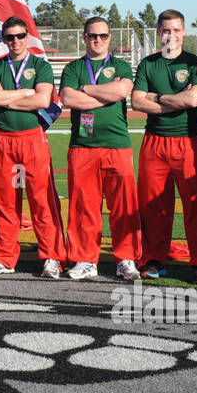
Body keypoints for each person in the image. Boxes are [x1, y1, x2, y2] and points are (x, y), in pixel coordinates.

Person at [131, 9, 197, 285]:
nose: (171, 35)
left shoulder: (196, 64)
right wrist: (174, 100)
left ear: (184, 32)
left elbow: (193, 100)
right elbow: (137, 102)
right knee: (153, 204)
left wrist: (157, 97)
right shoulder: (148, 64)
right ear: (159, 33)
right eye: (166, 30)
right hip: (154, 142)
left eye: (176, 30)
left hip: (188, 141)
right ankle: (153, 258)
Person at [0, 16, 67, 278]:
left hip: (32, 138)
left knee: (42, 200)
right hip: (3, 139)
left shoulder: (40, 65)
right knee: (5, 201)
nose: (15, 41)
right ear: (4, 40)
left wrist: (9, 98)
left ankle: (51, 257)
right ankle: (5, 257)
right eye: (9, 37)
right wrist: (25, 93)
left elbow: (42, 98)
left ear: (27, 37)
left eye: (19, 36)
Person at [58, 16, 142, 281]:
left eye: (103, 36)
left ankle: (126, 259)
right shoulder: (73, 68)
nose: (98, 40)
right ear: (84, 37)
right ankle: (85, 259)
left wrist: (88, 90)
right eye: (93, 35)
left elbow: (121, 91)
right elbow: (68, 98)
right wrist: (103, 94)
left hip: (117, 145)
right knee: (84, 207)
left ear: (110, 38)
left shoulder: (121, 65)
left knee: (123, 207)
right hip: (83, 146)